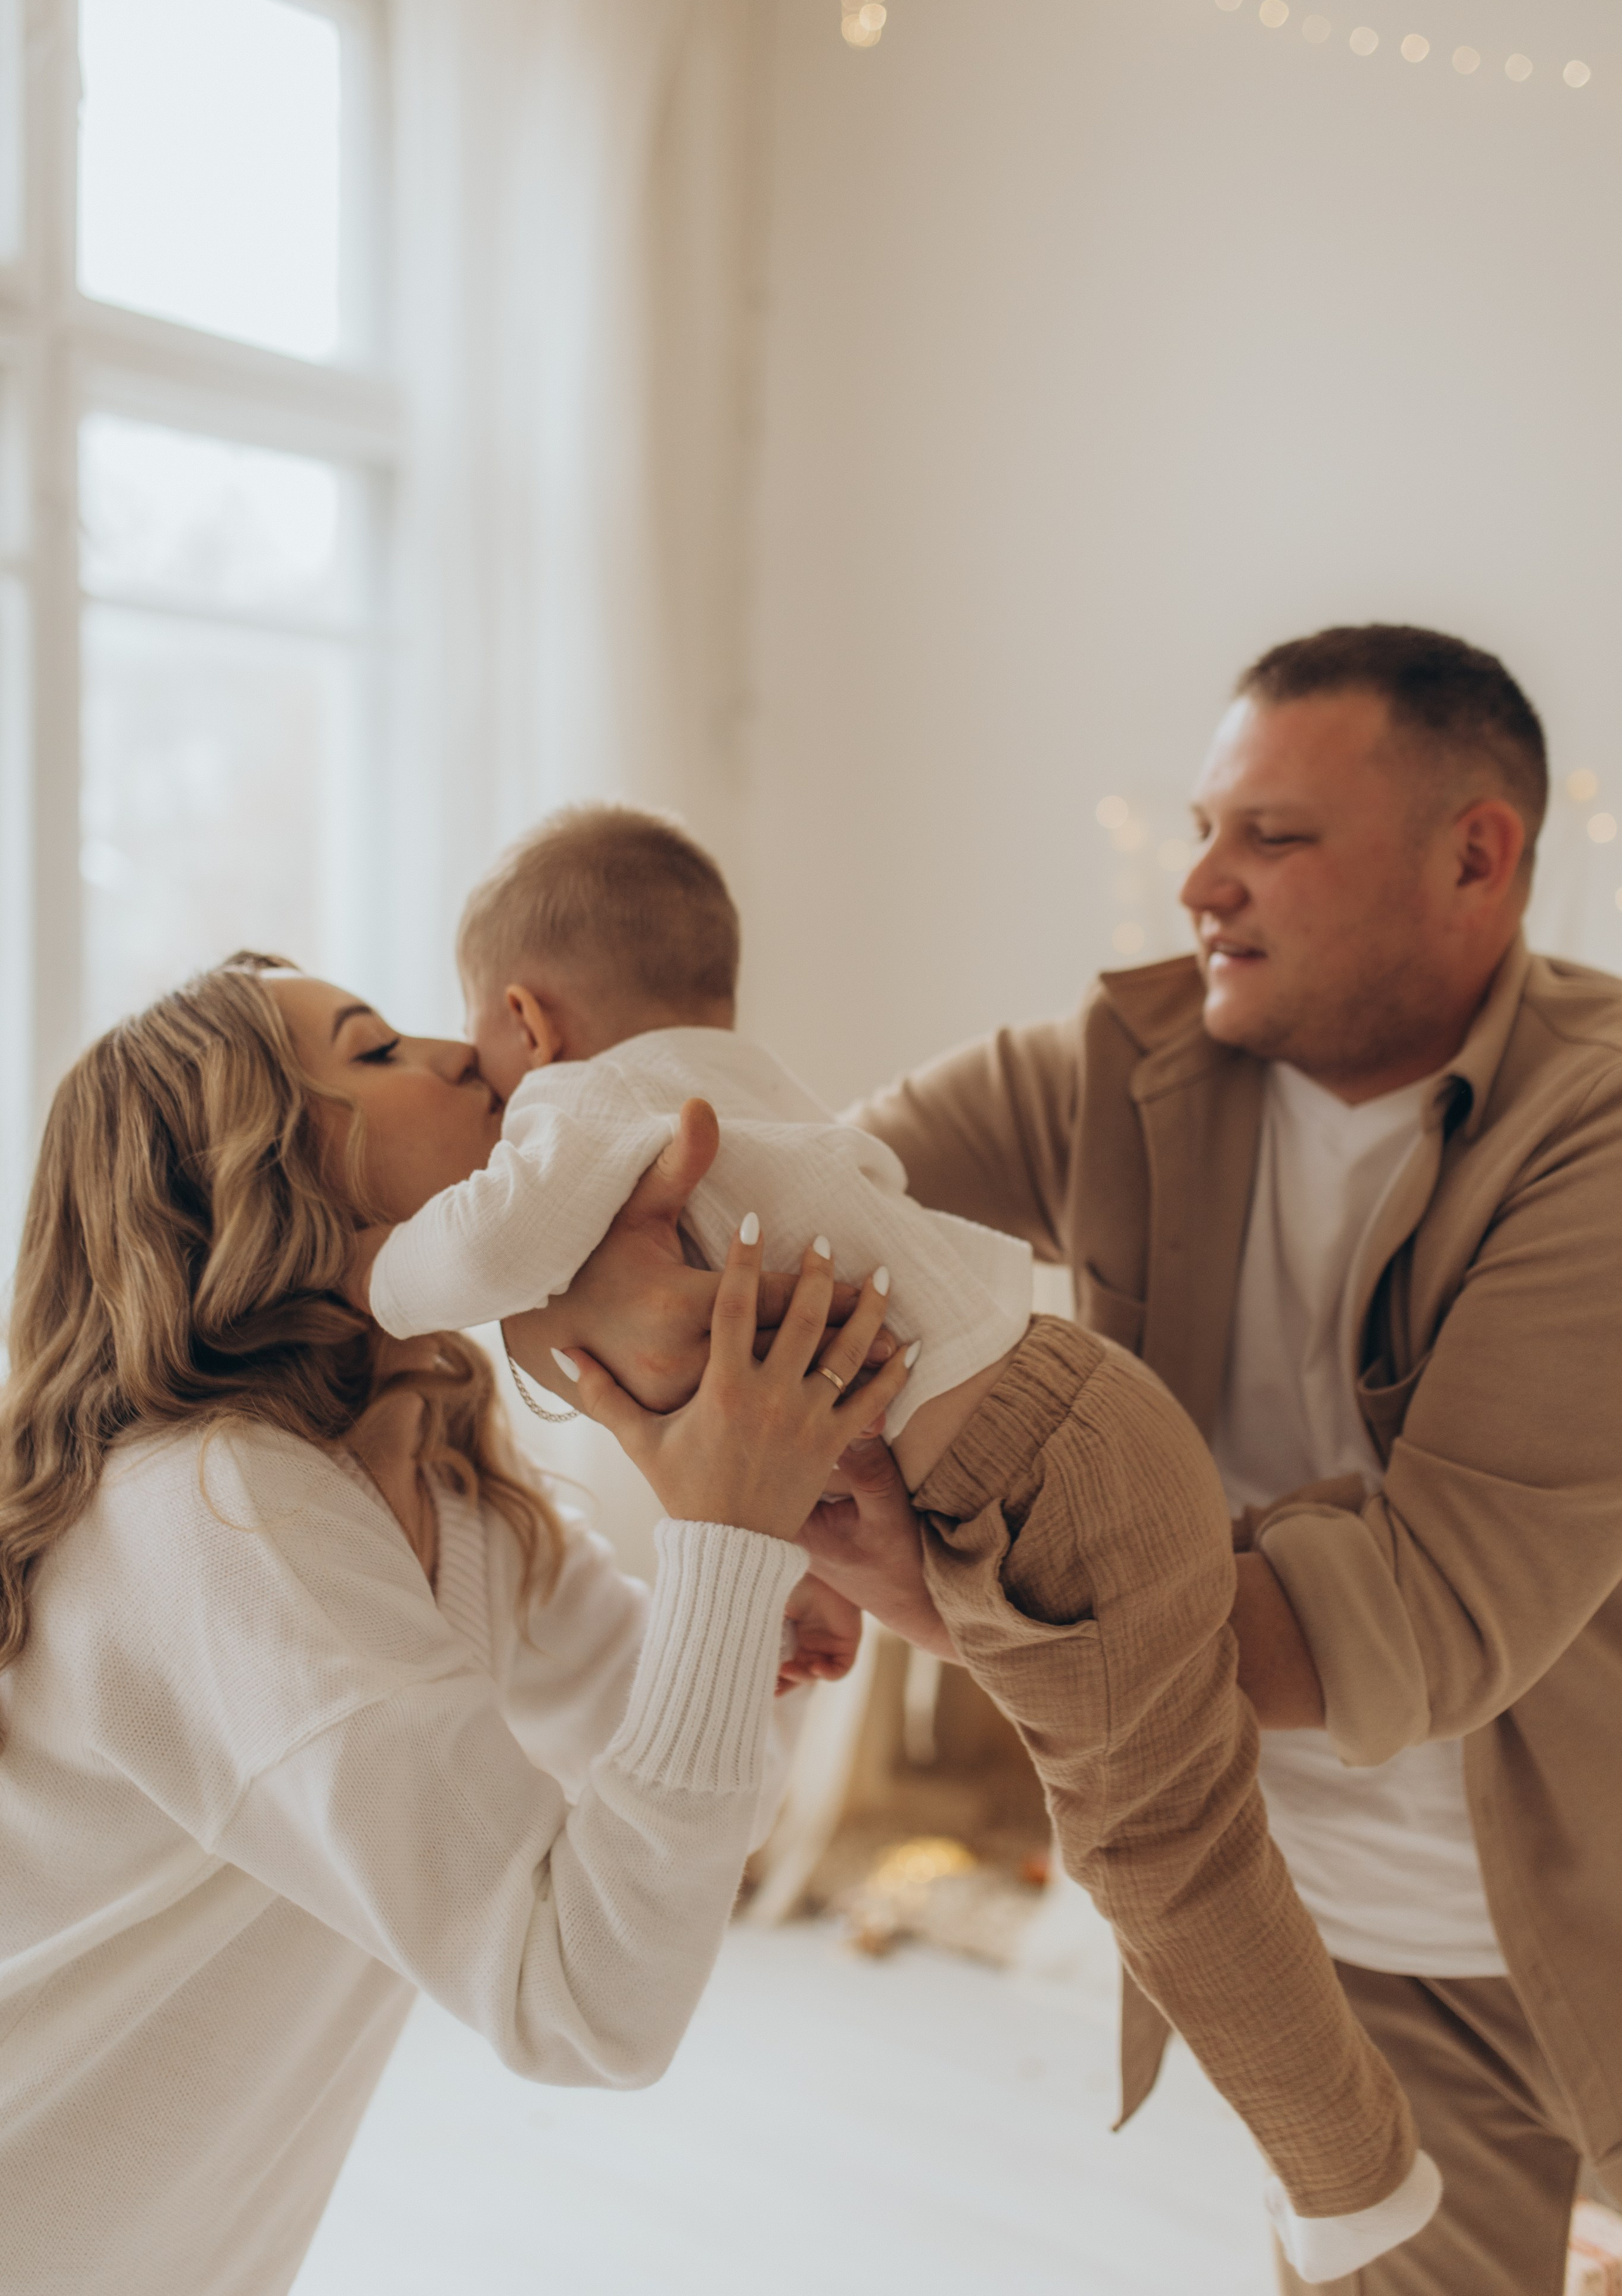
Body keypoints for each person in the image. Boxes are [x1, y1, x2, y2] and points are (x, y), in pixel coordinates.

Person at [361, 803, 1440, 2281]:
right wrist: (802, 1575)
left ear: (527, 1021)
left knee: (1159, 1844)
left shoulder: (583, 1105)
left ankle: (1352, 2172)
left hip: (1040, 1470)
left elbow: (479, 1247)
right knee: (1166, 1813)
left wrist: (371, 1268)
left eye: (482, 1066)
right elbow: (796, 1388)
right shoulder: (748, 1088)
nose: (491, 1106)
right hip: (1069, 1417)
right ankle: (1343, 2155)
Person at [838, 625, 1622, 2296]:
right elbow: (796, 1209)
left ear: (1478, 857)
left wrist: (955, 1595)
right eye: (1203, 828)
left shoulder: (1604, 1130)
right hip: (1342, 1965)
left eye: (1272, 836)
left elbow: (1427, 1603)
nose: (1201, 884)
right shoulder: (1124, 1076)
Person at [0, 953, 905, 2296]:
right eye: (374, 1051)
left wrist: (766, 1580)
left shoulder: (445, 1493)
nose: (461, 1057)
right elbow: (588, 2005)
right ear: (265, 1182)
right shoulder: (219, 1513)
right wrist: (729, 1543)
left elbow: (677, 1806)